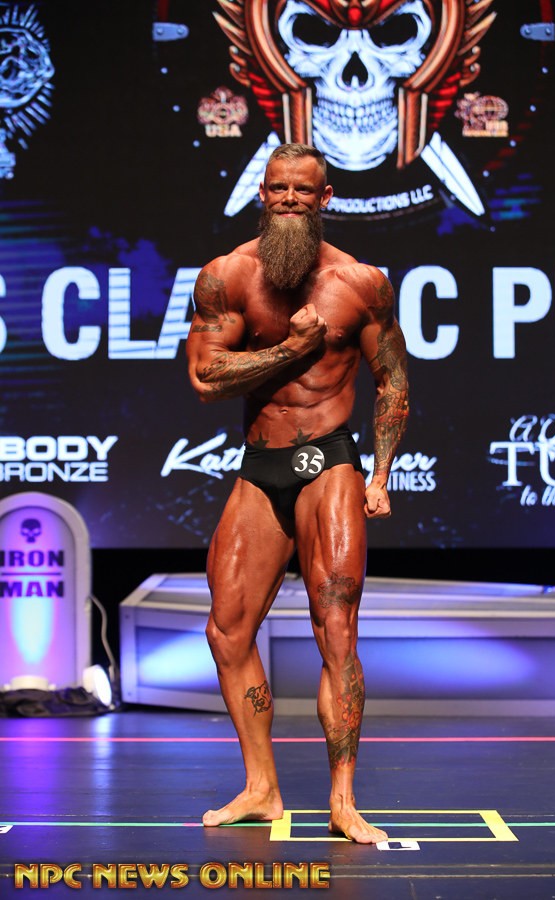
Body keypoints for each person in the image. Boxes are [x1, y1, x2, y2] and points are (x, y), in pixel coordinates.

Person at [186, 143, 409, 844]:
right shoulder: (227, 276)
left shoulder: (361, 283)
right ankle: (262, 787)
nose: (288, 199)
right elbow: (205, 378)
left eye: (302, 191)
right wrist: (290, 349)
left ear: (324, 198)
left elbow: (392, 379)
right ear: (262, 193)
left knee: (335, 627)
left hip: (330, 462)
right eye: (278, 188)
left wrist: (380, 473)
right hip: (261, 464)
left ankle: (343, 800)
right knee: (227, 629)